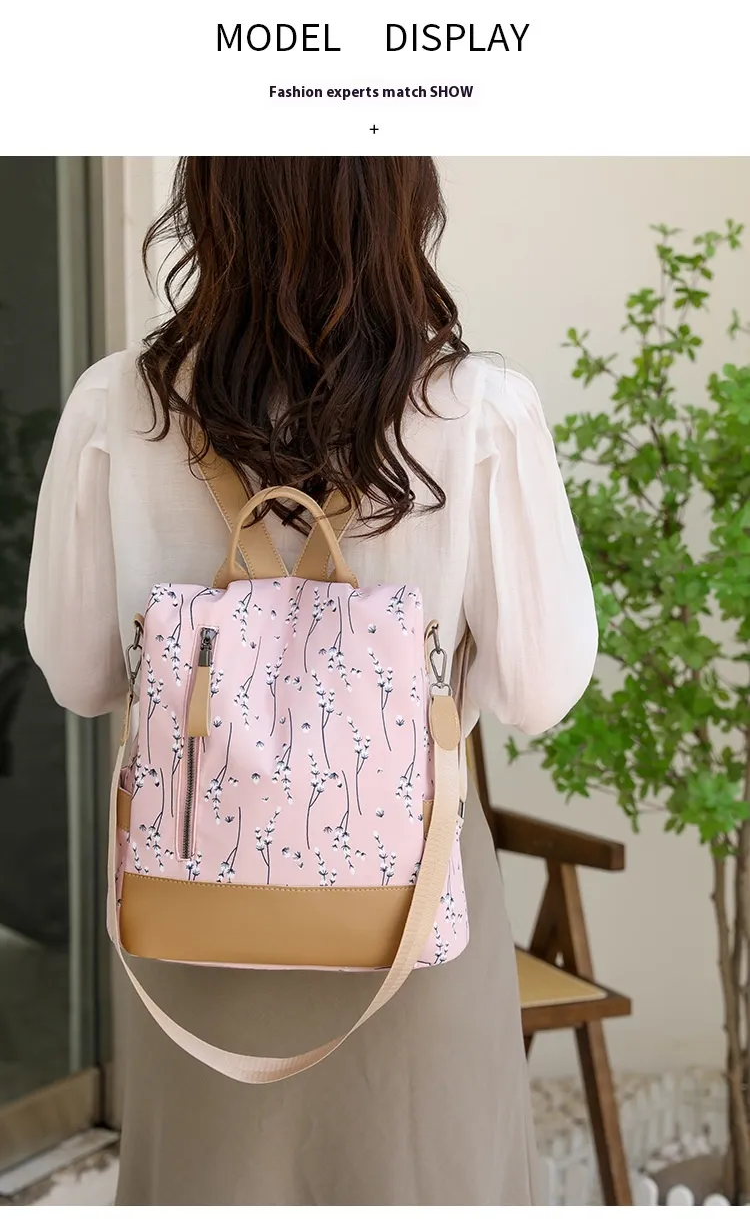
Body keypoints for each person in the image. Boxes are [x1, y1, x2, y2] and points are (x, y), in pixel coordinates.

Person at [25, 156, 598, 1207]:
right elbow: (537, 692)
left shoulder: (115, 402)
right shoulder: (479, 409)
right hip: (411, 900)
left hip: (192, 895)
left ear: (210, 197)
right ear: (401, 200)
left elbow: (78, 674)